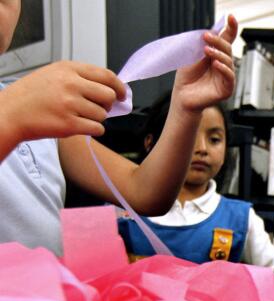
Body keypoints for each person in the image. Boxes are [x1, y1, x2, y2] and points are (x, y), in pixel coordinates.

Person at [0, 1, 238, 257]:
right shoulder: (27, 101)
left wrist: (185, 108)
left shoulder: (39, 109)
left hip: (44, 295)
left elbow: (144, 192)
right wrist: (12, 113)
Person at [117, 94, 274, 277]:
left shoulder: (241, 218)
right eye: (188, 136)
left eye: (214, 139)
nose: (202, 148)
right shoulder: (121, 211)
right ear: (150, 143)